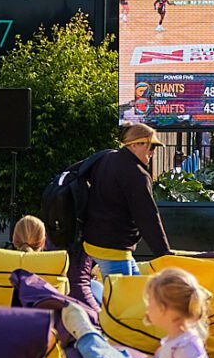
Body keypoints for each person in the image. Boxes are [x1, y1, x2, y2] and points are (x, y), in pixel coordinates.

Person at [75, 122, 175, 294]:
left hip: (93, 242)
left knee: (138, 295)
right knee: (123, 302)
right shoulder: (137, 174)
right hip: (113, 250)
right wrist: (164, 254)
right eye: (151, 147)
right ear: (135, 145)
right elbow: (148, 217)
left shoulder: (106, 158)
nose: (153, 153)